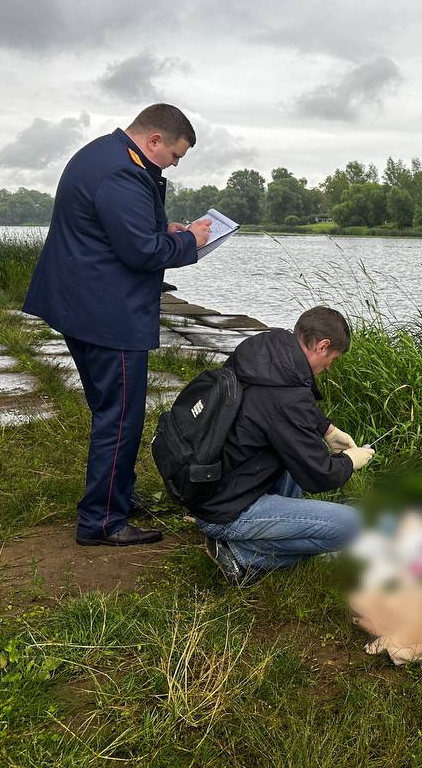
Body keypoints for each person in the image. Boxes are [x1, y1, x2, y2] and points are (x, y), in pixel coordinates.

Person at [24, 103, 212, 546]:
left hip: (82, 305)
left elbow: (112, 227)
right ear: (153, 141)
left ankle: (115, 497)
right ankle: (103, 521)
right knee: (121, 418)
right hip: (108, 315)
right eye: (175, 155)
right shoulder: (124, 172)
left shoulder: (102, 154)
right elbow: (142, 253)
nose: (174, 164)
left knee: (111, 411)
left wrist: (162, 226)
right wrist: (189, 241)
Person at [194, 305, 374, 585]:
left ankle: (276, 529)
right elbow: (319, 475)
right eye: (332, 359)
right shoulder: (286, 396)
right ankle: (241, 553)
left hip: (213, 489)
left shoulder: (263, 350)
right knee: (356, 527)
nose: (329, 367)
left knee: (300, 446)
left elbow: (282, 411)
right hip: (227, 511)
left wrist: (327, 429)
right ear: (322, 346)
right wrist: (351, 460)